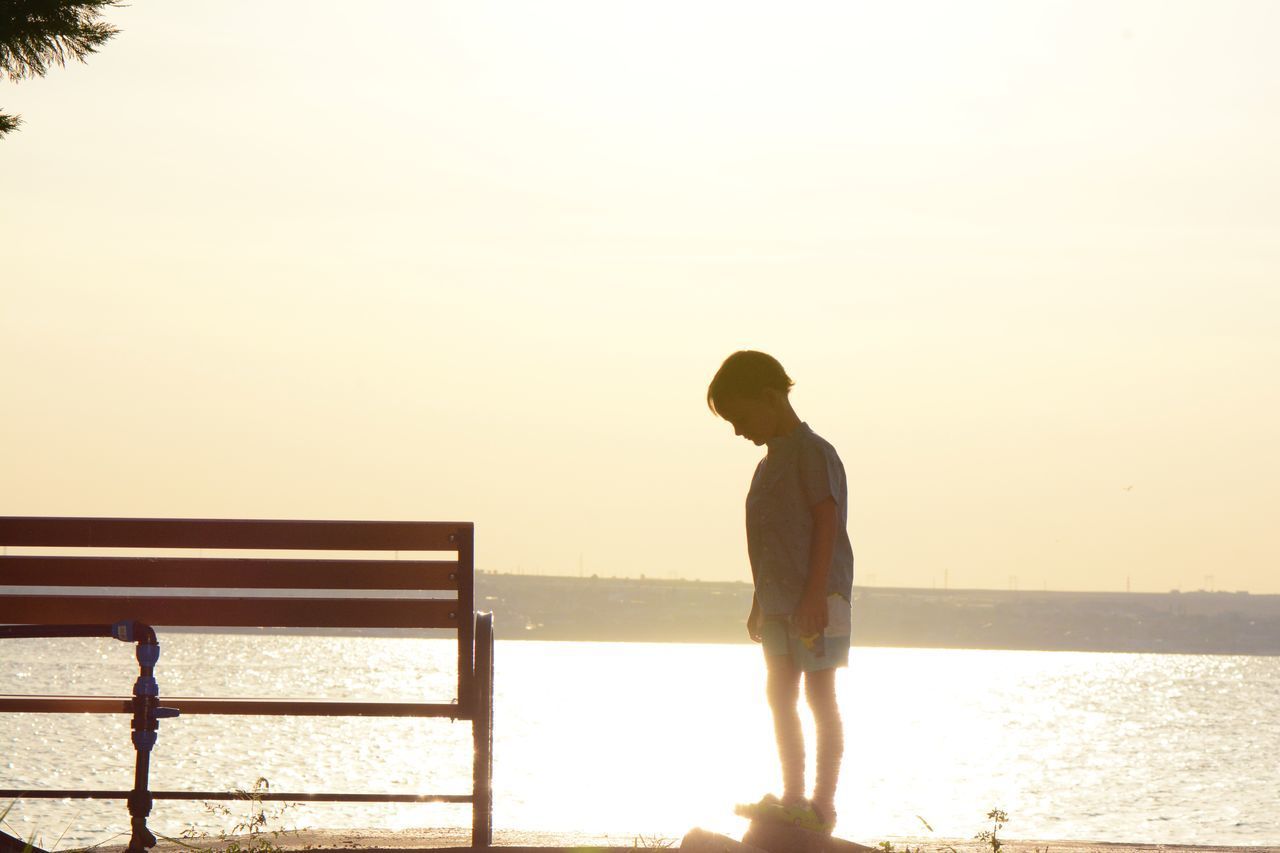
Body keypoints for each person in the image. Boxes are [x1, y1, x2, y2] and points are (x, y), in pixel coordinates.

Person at [707, 350, 855, 834]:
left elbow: (827, 523)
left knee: (819, 694)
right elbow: (766, 540)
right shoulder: (766, 467)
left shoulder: (813, 453)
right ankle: (792, 796)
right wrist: (758, 601)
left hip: (818, 602)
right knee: (778, 693)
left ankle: (821, 805)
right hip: (776, 605)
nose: (737, 430)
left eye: (740, 416)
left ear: (770, 398)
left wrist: (814, 597)